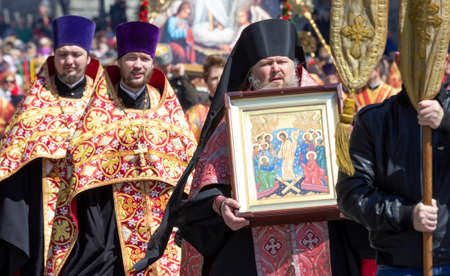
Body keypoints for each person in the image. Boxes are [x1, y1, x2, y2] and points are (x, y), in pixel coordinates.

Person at [133, 19, 352, 275]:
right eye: (266, 64)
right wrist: (221, 205)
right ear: (251, 72)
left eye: (281, 62)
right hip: (251, 244)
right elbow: (208, 181)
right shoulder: (235, 119)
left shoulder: (328, 109)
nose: (276, 70)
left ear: (295, 66)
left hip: (325, 239)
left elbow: (355, 166)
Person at [44, 21, 197, 275]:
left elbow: (188, 172)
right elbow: (79, 170)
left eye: (144, 59)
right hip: (109, 235)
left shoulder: (168, 110)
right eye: (131, 59)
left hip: (165, 233)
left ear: (152, 63)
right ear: (119, 61)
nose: (138, 65)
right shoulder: (99, 111)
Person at [0, 15, 100, 275]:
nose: (69, 61)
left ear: (88, 58)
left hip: (93, 211)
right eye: (63, 54)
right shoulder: (33, 104)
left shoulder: (104, 104)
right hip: (44, 210)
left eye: (76, 54)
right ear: (53, 58)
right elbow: (11, 162)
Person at [336, 73, 450, 273]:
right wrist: (406, 214)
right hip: (400, 265)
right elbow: (350, 195)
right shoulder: (373, 121)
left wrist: (447, 121)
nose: (423, 62)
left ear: (446, 61)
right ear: (399, 61)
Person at [185, 54, 226, 141]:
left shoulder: (236, 108)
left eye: (223, 78)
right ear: (206, 81)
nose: (220, 82)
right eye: (214, 78)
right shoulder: (195, 113)